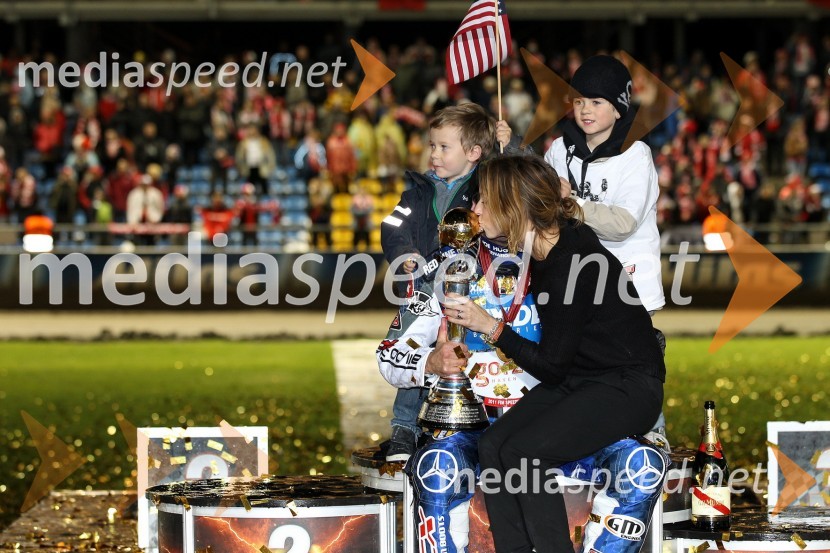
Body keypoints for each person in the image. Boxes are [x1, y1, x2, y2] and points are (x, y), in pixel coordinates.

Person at [446, 155, 665, 553]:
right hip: (583, 379)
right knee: (493, 445)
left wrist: (491, 328)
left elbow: (550, 366)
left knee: (525, 455)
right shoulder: (550, 244)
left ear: (513, 207)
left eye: (483, 201)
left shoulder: (571, 262)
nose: (474, 209)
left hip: (628, 387)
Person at [379, 102, 517, 462]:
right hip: (425, 287)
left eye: (444, 147)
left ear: (474, 153)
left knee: (467, 354)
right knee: (415, 350)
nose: (434, 154)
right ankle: (405, 428)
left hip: (472, 289)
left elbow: (521, 182)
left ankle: (473, 420)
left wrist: (512, 146)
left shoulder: (485, 185)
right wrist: (405, 253)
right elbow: (392, 226)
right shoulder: (417, 192)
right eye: (431, 145)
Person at [543, 54, 669, 448]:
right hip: (579, 282)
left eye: (597, 102)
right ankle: (594, 441)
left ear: (619, 107)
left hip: (628, 282)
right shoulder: (558, 150)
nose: (585, 110)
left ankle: (653, 439)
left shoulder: (636, 154)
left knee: (636, 370)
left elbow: (623, 223)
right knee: (582, 368)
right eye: (580, 101)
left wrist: (569, 205)